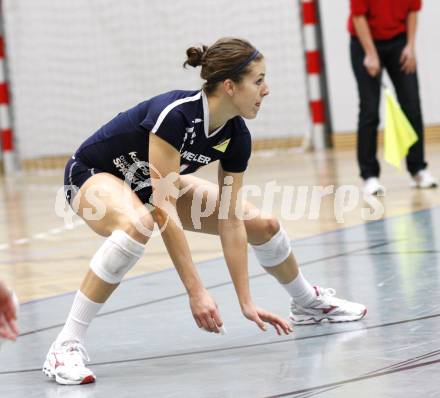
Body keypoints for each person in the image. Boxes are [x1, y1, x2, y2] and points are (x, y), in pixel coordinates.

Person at [43, 37, 367, 385]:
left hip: (149, 184)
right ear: (230, 86)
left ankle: (306, 303)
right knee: (139, 224)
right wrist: (196, 291)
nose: (266, 89)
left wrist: (246, 302)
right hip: (93, 174)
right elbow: (163, 208)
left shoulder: (237, 135)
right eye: (258, 81)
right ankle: (66, 344)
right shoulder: (176, 115)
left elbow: (229, 218)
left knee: (262, 224)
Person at [349, 0, 438, 195]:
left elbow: (413, 11)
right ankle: (369, 175)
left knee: (412, 105)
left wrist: (410, 46)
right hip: (364, 43)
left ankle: (418, 169)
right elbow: (358, 16)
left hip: (399, 42)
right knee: (370, 109)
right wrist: (371, 54)